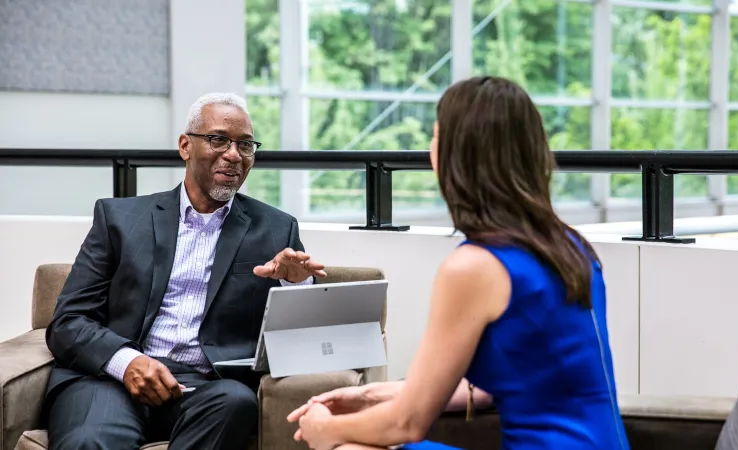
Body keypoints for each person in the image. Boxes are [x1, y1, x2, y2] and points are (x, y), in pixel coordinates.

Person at [287, 76, 631, 450]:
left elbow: (407, 423)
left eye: (435, 137)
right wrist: (370, 394)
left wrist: (326, 429)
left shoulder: (474, 267)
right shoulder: (569, 245)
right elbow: (493, 386)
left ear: (455, 156)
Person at [44, 93, 326, 450]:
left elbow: (301, 339)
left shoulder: (275, 229)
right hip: (111, 379)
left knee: (236, 401)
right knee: (90, 440)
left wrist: (295, 282)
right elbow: (68, 321)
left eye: (245, 145)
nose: (234, 155)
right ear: (185, 146)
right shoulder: (119, 219)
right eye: (219, 139)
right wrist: (127, 362)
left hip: (204, 388)